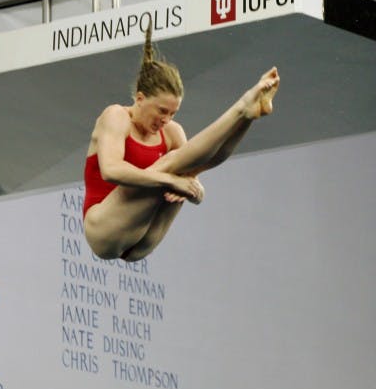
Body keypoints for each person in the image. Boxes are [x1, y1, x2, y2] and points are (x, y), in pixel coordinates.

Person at [83, 27, 279, 261]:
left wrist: (196, 193)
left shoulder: (172, 133)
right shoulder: (116, 116)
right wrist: (170, 180)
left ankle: (247, 116)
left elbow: (202, 166)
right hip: (104, 230)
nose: (165, 120)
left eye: (173, 113)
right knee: (169, 165)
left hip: (144, 241)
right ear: (140, 98)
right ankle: (240, 107)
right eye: (161, 111)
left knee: (185, 168)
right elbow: (111, 170)